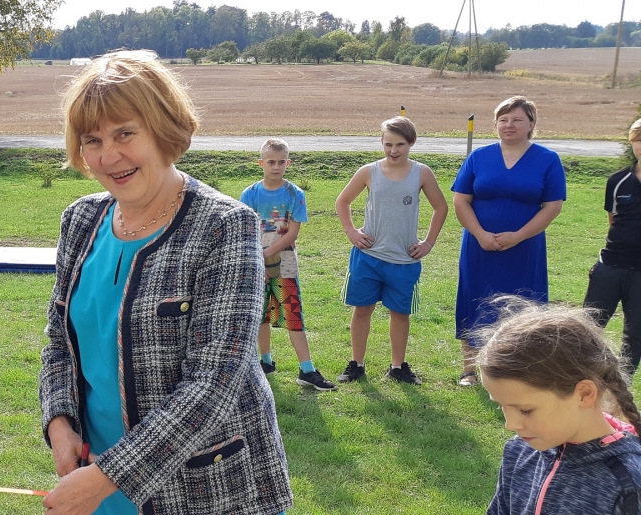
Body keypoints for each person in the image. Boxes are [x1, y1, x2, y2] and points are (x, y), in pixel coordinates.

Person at [40, 50, 293, 515]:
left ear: (163, 129)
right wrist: (59, 423)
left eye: (125, 133)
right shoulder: (81, 220)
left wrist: (106, 478)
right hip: (101, 492)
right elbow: (59, 340)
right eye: (92, 139)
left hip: (208, 497)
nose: (108, 155)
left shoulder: (224, 225)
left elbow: (217, 380)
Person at [456, 300, 641, 515]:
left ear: (584, 394)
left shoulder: (628, 486)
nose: (510, 424)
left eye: (525, 410)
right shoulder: (520, 453)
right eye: (502, 406)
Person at [453, 96, 566, 387]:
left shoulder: (547, 159)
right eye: (503, 119)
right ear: (495, 124)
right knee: (475, 297)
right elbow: (461, 200)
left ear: (531, 124)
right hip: (479, 246)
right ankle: (469, 370)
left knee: (524, 301)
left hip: (525, 248)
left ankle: (521, 370)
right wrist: (480, 234)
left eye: (516, 119)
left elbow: (552, 206)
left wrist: (518, 236)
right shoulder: (478, 157)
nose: (509, 125)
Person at [334, 117, 448, 385]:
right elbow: (343, 201)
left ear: (411, 143)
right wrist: (352, 231)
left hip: (404, 260)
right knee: (362, 309)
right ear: (381, 143)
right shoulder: (368, 171)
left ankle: (398, 366)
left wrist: (428, 243)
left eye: (400, 144)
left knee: (400, 313)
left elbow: (440, 208)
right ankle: (356, 364)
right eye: (388, 144)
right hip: (369, 257)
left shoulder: (422, 173)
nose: (394, 150)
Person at [241, 139, 334, 390]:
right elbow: (246, 232)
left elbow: (292, 234)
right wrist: (256, 261)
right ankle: (265, 362)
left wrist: (266, 254)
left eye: (281, 162)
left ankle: (307, 369)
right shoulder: (249, 194)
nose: (276, 167)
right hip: (256, 269)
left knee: (293, 316)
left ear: (288, 163)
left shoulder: (295, 194)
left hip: (285, 268)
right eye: (271, 162)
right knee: (260, 315)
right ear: (261, 163)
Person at [584, 117, 641, 377]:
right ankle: (579, 383)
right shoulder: (618, 180)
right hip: (610, 267)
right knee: (588, 330)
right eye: (638, 139)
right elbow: (614, 221)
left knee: (635, 336)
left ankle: (622, 395)